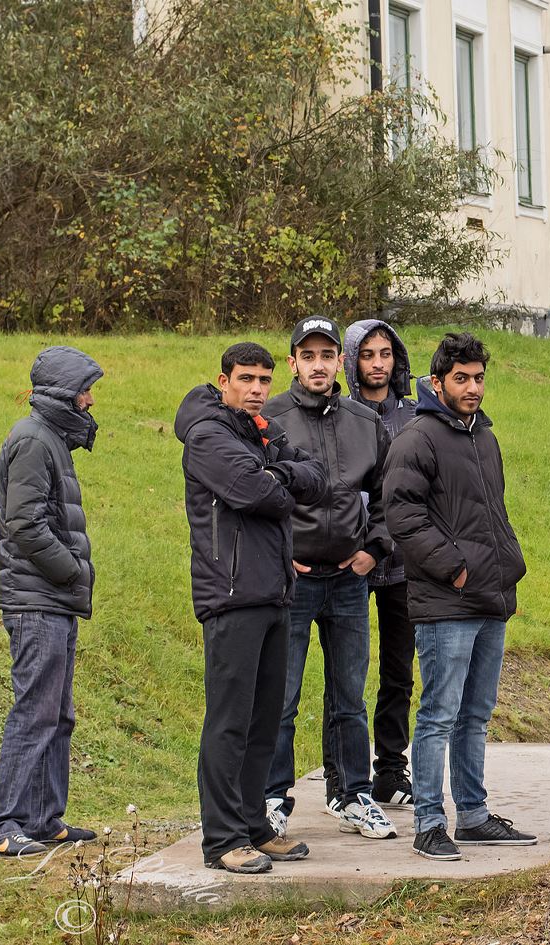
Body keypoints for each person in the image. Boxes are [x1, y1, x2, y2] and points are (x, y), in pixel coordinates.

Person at [176, 342, 328, 873]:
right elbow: (255, 493)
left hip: (274, 591)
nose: (257, 389)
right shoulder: (208, 435)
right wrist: (280, 478)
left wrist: (274, 474)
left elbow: (317, 478)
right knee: (230, 722)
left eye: (264, 380)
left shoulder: (262, 430)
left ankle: (254, 826)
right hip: (231, 595)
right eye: (246, 379)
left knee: (266, 721)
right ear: (224, 381)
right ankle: (222, 839)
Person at [384, 332, 536, 861]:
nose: (473, 388)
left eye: (479, 378)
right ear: (436, 382)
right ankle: (429, 824)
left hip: (491, 596)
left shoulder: (484, 436)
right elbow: (402, 517)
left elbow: (493, 513)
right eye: (461, 379)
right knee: (438, 715)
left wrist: (506, 570)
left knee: (475, 715)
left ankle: (472, 816)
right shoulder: (416, 439)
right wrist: (455, 570)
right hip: (447, 602)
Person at [260, 316, 394, 841]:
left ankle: (354, 795)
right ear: (293, 362)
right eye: (308, 356)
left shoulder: (366, 421)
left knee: (349, 697)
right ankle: (272, 797)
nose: (318, 365)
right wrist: (279, 553)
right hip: (291, 582)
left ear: (342, 361)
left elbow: (388, 497)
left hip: (348, 581)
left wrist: (373, 550)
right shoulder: (269, 418)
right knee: (282, 696)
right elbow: (252, 491)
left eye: (327, 355)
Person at [0, 347, 104, 858]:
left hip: (52, 599)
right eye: (84, 390)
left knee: (57, 714)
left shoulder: (50, 438)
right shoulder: (33, 440)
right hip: (37, 600)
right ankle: (2, 826)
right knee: (35, 712)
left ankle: (42, 819)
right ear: (62, 393)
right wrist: (72, 571)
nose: (90, 400)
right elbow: (24, 524)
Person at [336, 318, 419, 808]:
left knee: (398, 672)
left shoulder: (414, 415)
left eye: (385, 354)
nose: (378, 364)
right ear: (351, 361)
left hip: (403, 563)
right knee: (345, 675)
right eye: (367, 355)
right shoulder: (340, 414)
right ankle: (340, 776)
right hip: (348, 560)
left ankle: (390, 769)